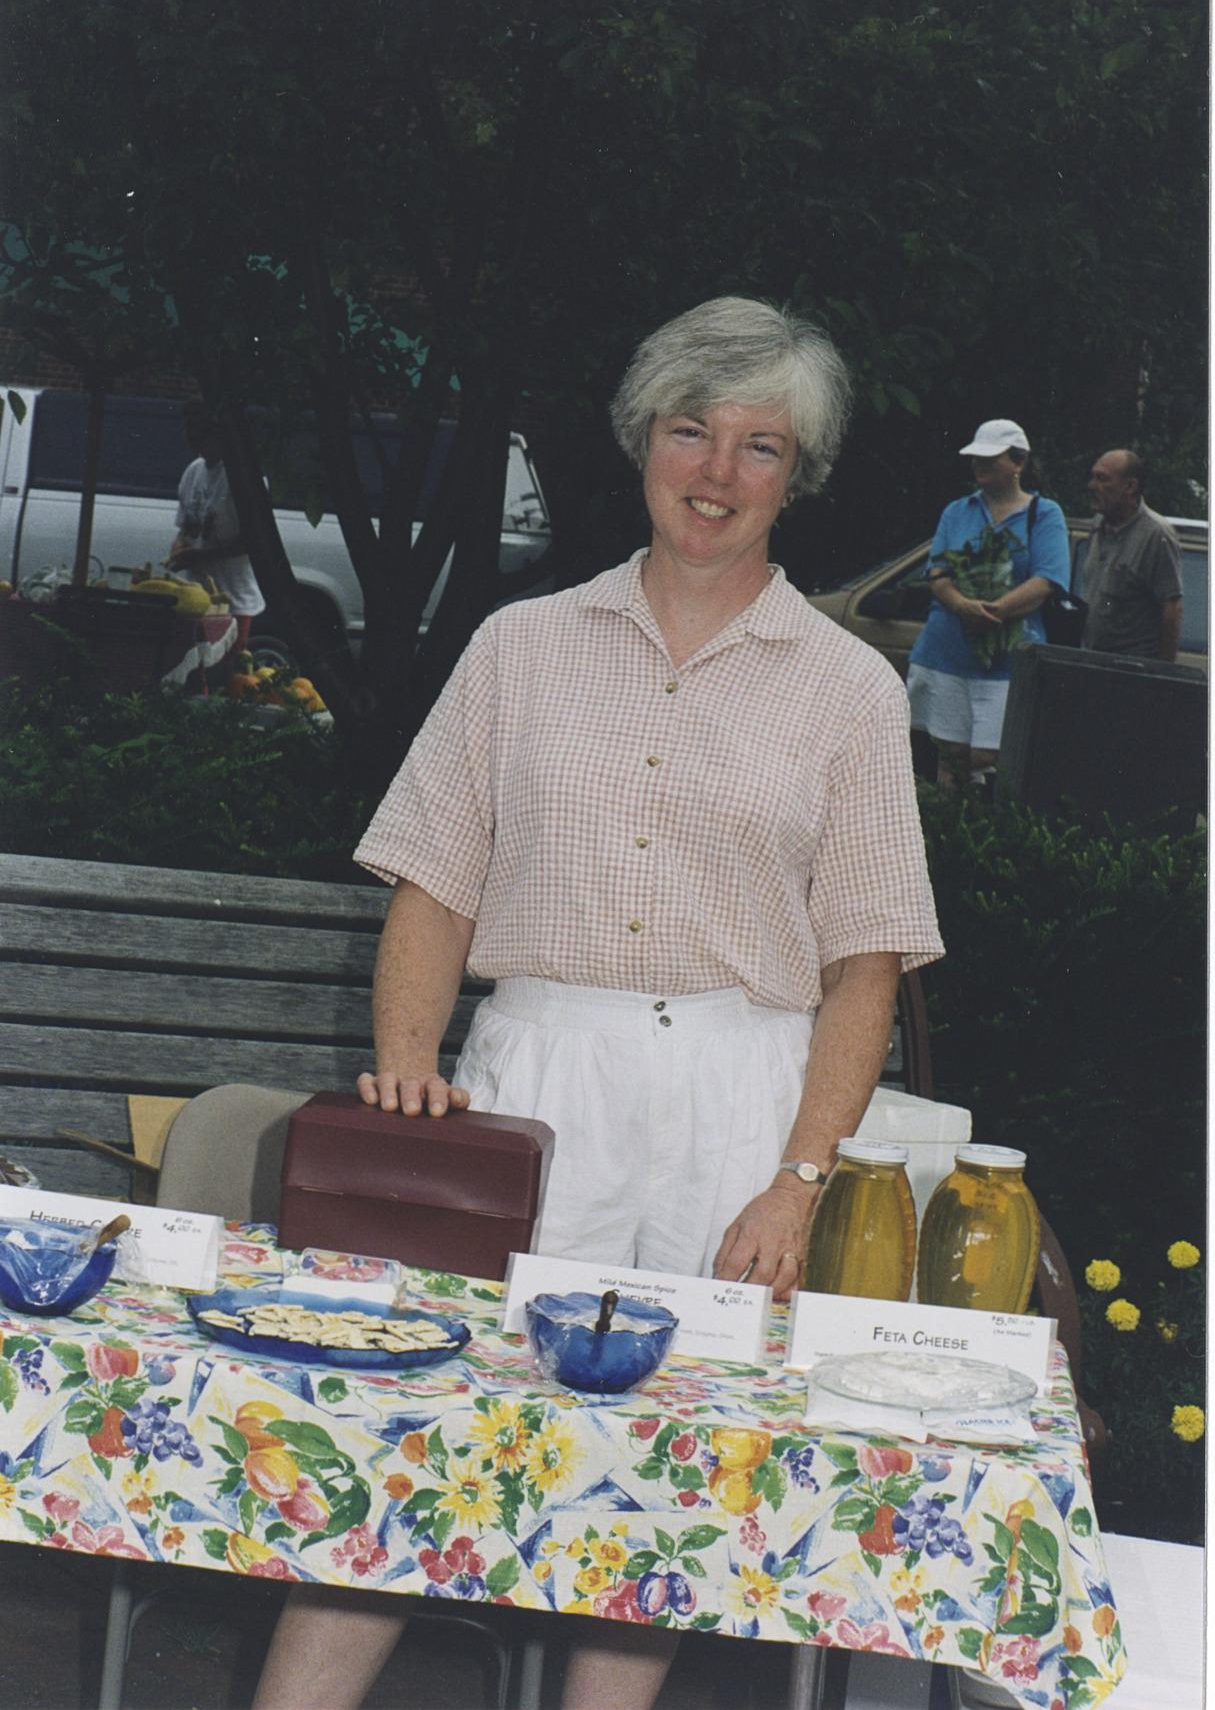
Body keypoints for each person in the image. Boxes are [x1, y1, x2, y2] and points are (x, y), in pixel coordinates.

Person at [252, 296, 944, 1710]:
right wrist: (406, 1078)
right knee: (408, 1460)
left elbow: (862, 964)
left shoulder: (850, 691)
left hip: (733, 1115)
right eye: (688, 429)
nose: (714, 470)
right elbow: (434, 883)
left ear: (797, 476)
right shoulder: (521, 645)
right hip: (530, 1082)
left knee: (648, 1512)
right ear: (639, 442)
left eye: (759, 446)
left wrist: (795, 1181)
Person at [906, 418, 1069, 788]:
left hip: (1008, 661)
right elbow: (938, 573)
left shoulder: (1044, 514)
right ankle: (950, 838)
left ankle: (986, 838)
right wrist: (964, 606)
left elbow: (1048, 580)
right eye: (976, 458)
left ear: (1018, 462)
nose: (979, 465)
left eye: (990, 458)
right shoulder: (957, 511)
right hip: (947, 652)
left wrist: (995, 613)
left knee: (990, 758)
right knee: (949, 756)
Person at [167, 400, 264, 662]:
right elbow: (186, 529)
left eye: (197, 428)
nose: (190, 436)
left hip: (233, 602)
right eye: (187, 428)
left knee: (226, 674)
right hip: (194, 600)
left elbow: (252, 542)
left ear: (218, 432)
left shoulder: (242, 477)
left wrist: (199, 556)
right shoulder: (193, 471)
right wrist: (179, 548)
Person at [1081, 448, 1183, 661]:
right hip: (1092, 660)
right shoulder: (1099, 525)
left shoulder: (1156, 534)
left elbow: (1171, 609)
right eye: (1093, 477)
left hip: (1132, 668)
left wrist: (1163, 675)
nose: (1092, 486)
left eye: (1103, 479)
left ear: (1130, 486)